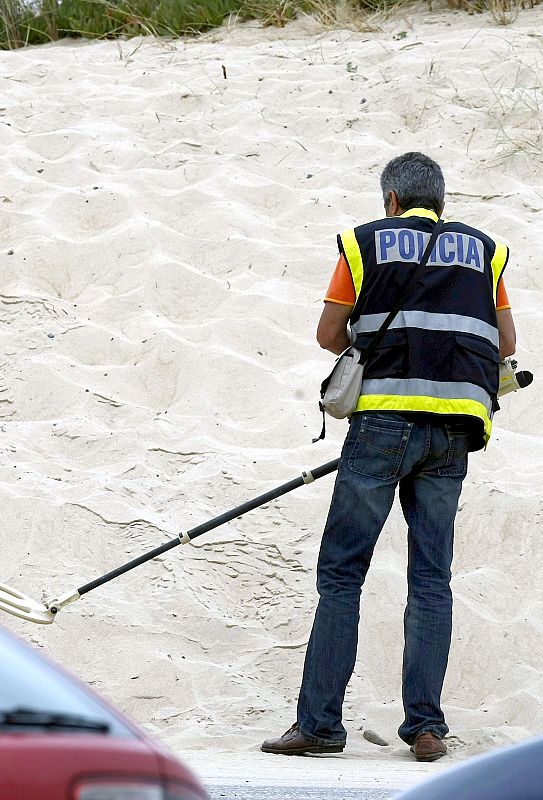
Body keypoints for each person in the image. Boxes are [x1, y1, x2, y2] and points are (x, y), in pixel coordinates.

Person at [261, 152, 516, 762]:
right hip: (455, 429)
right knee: (432, 579)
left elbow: (327, 335)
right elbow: (505, 343)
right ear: (443, 204)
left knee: (344, 572)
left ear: (392, 202)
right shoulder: (487, 252)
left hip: (381, 425)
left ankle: (320, 727)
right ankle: (426, 726)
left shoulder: (362, 242)